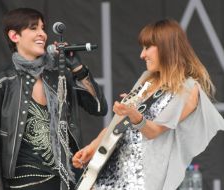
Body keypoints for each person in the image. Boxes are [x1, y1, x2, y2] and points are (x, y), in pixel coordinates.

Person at [72, 18, 224, 190]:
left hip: (143, 180)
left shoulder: (188, 89)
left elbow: (154, 131)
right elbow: (117, 124)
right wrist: (92, 148)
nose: (142, 55)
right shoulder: (146, 79)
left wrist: (134, 114)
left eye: (147, 48)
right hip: (110, 171)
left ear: (167, 47)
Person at [0, 8, 107, 190]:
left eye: (43, 28)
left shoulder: (59, 75)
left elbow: (99, 108)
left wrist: (78, 68)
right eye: (33, 28)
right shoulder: (1, 80)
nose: (42, 34)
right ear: (14, 36)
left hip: (67, 178)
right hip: (25, 181)